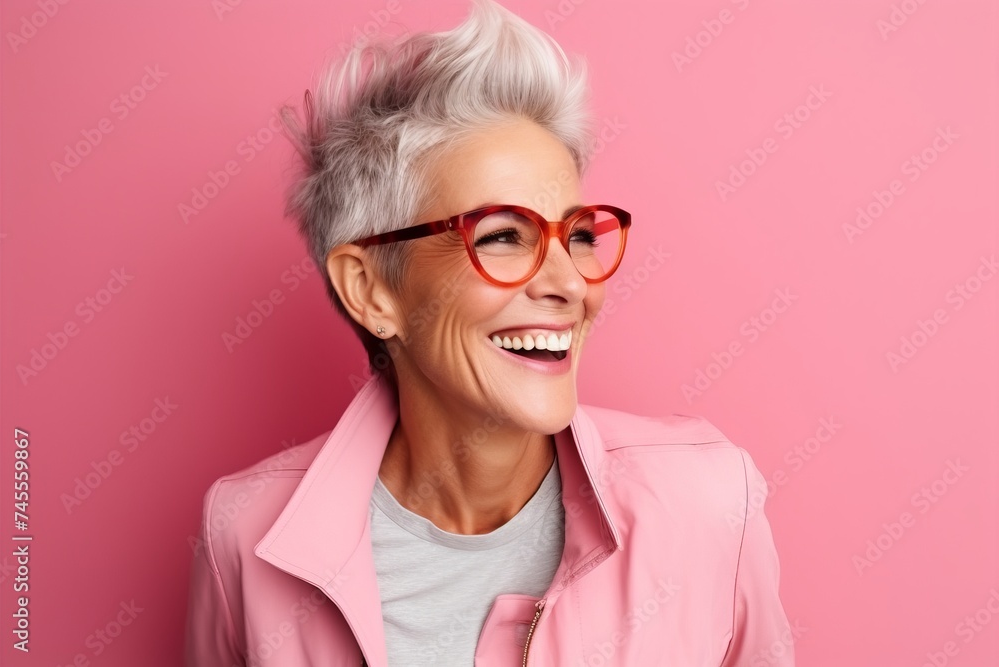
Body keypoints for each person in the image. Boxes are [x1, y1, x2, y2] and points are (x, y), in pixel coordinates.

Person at [183, 1, 794, 664]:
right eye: (503, 236)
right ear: (371, 289)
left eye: (579, 235)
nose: (570, 283)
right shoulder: (244, 535)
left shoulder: (708, 505)